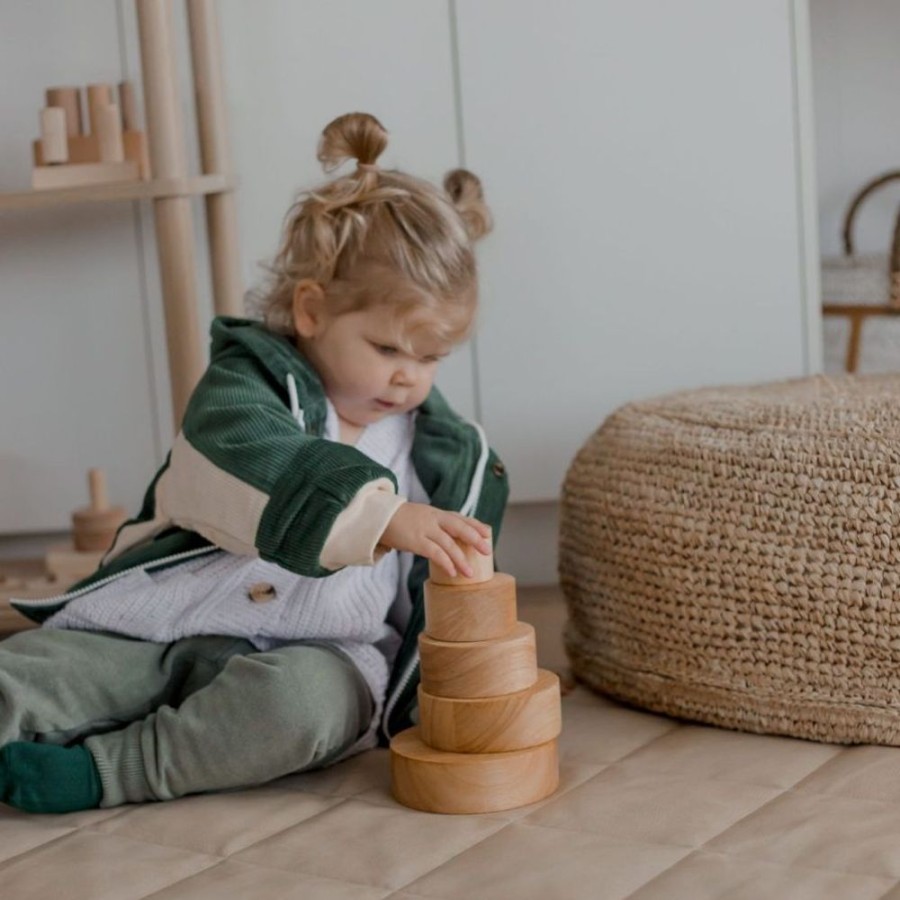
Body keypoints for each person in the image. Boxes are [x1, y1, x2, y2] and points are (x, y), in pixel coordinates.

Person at [3, 112, 509, 813]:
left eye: (430, 359)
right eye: (389, 350)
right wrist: (382, 516)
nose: (409, 380)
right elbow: (247, 458)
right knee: (30, 677)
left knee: (302, 711)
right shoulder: (244, 391)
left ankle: (112, 770)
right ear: (311, 311)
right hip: (157, 627)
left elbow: (438, 610)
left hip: (321, 657)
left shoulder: (448, 455)